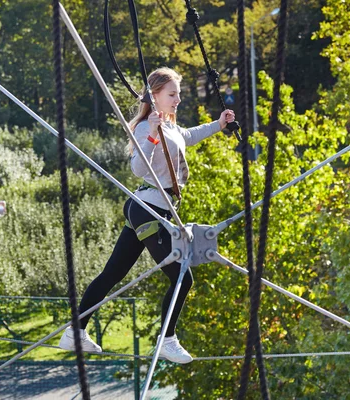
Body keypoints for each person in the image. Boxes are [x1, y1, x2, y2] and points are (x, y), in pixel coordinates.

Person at [59, 67, 235, 364]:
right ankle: (167, 340)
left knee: (113, 274)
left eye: (178, 93)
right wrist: (152, 135)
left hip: (151, 209)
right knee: (182, 276)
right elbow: (139, 169)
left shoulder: (169, 126)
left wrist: (218, 125)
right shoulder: (145, 127)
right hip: (149, 209)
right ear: (155, 97)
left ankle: (75, 330)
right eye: (172, 94)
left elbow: (187, 136)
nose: (178, 99)